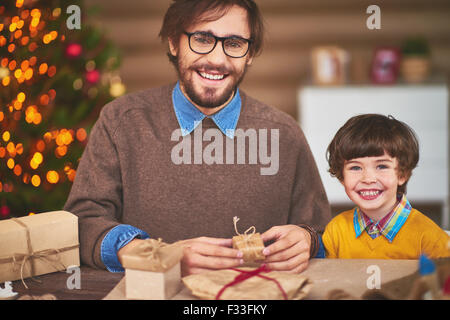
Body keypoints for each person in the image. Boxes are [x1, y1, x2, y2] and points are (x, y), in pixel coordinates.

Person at [64, 0, 331, 276]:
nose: (217, 60)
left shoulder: (285, 134)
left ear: (249, 54)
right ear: (173, 43)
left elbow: (324, 234)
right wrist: (161, 257)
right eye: (202, 39)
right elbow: (83, 222)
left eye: (235, 43)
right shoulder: (121, 121)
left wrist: (308, 241)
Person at [322, 114, 450, 259]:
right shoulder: (336, 231)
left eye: (381, 166)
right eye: (356, 168)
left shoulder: (430, 238)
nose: (368, 179)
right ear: (342, 177)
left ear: (402, 174)